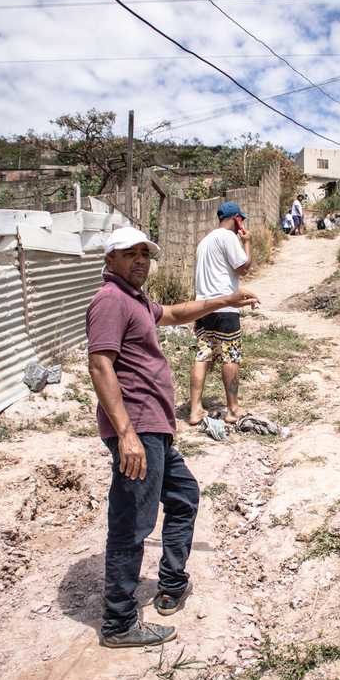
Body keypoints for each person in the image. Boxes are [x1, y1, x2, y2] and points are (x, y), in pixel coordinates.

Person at [86, 225, 259, 649]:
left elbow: (176, 314)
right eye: (130, 254)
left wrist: (225, 300)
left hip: (154, 429)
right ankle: (119, 622)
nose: (141, 260)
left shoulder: (136, 300)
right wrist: (126, 435)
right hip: (139, 430)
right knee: (133, 522)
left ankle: (172, 583)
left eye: (146, 253)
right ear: (110, 261)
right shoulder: (110, 299)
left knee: (183, 496)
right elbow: (99, 365)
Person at [189, 201, 254, 426]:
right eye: (241, 221)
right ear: (236, 218)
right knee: (231, 356)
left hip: (204, 307)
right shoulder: (228, 238)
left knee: (203, 355)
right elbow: (243, 268)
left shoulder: (204, 241)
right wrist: (247, 244)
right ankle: (233, 410)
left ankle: (195, 409)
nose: (241, 225)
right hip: (225, 307)